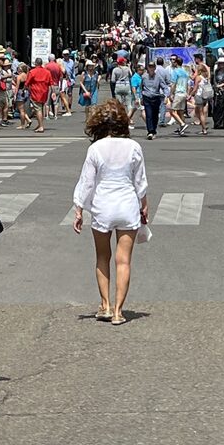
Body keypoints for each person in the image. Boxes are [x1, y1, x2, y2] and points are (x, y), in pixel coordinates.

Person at [72, 101, 148, 326]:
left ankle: (104, 305)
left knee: (102, 257)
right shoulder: (133, 146)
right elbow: (140, 181)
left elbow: (87, 183)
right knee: (123, 260)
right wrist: (144, 204)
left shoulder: (95, 149)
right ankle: (118, 311)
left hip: (103, 205)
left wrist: (78, 209)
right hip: (127, 204)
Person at [24, 57, 52, 133]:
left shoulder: (32, 72)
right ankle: (40, 124)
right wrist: (52, 93)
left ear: (36, 63)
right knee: (41, 108)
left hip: (35, 92)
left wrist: (26, 89)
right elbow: (50, 83)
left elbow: (27, 83)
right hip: (44, 92)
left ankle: (41, 126)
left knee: (38, 109)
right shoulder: (47, 72)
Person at [167, 56, 190, 135]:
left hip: (178, 93)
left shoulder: (175, 71)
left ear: (176, 63)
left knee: (172, 111)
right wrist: (187, 93)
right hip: (184, 93)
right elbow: (187, 84)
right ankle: (181, 129)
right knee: (181, 112)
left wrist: (171, 94)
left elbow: (173, 84)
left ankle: (182, 124)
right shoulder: (185, 72)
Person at [140, 61, 163, 140]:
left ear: (155, 68)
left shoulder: (158, 77)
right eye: (150, 67)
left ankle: (154, 130)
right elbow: (141, 87)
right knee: (149, 114)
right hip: (147, 97)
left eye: (152, 67)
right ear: (148, 68)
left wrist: (166, 96)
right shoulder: (144, 77)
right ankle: (150, 131)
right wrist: (140, 97)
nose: (151, 68)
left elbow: (164, 86)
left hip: (156, 97)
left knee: (155, 115)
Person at [212, 55, 224, 130]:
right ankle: (219, 123)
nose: (221, 65)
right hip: (218, 91)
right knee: (218, 107)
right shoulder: (216, 71)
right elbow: (214, 80)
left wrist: (222, 85)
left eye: (222, 63)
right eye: (220, 63)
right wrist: (217, 86)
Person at [14, 63, 32, 130]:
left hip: (20, 92)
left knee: (21, 110)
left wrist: (15, 95)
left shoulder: (19, 76)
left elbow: (17, 86)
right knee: (23, 109)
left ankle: (22, 125)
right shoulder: (27, 76)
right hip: (26, 92)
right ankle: (28, 120)